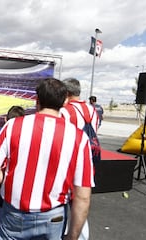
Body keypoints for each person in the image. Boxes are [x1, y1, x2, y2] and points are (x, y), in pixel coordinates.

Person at [0, 78, 95, 240]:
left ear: (37, 100)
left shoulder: (13, 125)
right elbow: (83, 195)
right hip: (54, 217)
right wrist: (73, 236)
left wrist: (12, 182)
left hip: (15, 213)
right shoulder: (79, 137)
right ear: (64, 102)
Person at [60, 78, 99, 240]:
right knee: (80, 201)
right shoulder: (92, 110)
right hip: (88, 159)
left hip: (69, 161)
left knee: (62, 201)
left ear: (66, 93)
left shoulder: (64, 111)